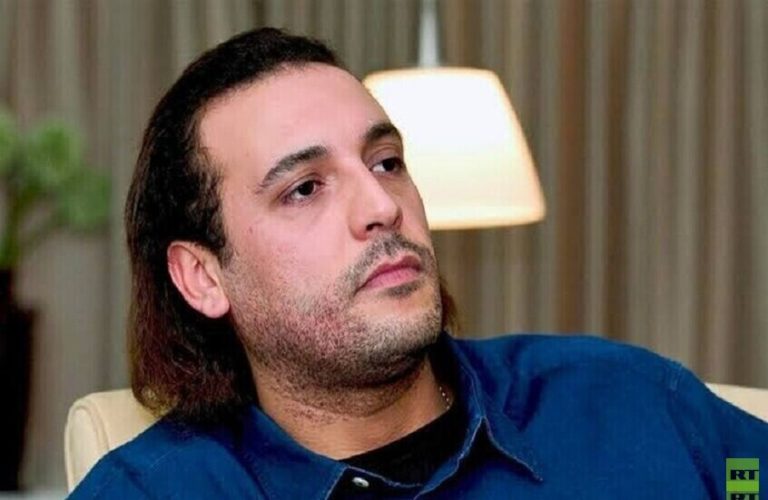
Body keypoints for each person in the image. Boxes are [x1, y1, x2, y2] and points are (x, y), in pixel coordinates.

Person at [70, 27, 767, 499]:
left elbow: (746, 473)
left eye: (386, 162)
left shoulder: (628, 402)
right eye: (304, 189)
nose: (381, 205)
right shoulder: (153, 491)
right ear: (203, 277)